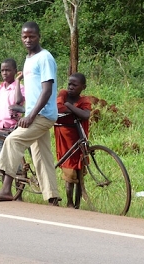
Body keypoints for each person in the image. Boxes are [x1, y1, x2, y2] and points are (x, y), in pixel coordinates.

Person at [0, 21, 61, 206]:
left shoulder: (45, 58)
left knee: (13, 140)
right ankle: (53, 197)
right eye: (25, 36)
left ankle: (6, 189)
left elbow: (47, 90)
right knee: (41, 155)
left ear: (39, 37)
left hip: (43, 115)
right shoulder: (29, 59)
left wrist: (31, 115)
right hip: (36, 113)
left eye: (32, 36)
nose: (28, 40)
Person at [54, 73, 91, 208]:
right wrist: (74, 110)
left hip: (79, 140)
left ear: (83, 87)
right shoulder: (63, 93)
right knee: (69, 174)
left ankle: (77, 204)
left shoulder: (84, 100)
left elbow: (86, 115)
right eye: (69, 84)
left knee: (80, 173)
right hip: (65, 141)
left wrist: (69, 106)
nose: (70, 87)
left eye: (75, 85)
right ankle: (69, 203)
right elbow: (58, 108)